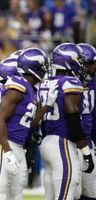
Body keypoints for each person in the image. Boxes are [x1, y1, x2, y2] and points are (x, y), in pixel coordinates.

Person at [0, 48, 54, 199]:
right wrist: (8, 152)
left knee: (15, 196)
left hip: (18, 147)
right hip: (3, 145)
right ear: (34, 67)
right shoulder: (18, 83)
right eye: (42, 66)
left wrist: (46, 107)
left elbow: (28, 124)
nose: (45, 70)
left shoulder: (31, 90)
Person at [39, 43, 94, 200]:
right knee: (66, 195)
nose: (82, 66)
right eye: (80, 61)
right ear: (71, 61)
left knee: (50, 196)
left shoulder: (45, 83)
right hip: (62, 143)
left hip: (46, 141)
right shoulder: (71, 82)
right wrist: (86, 152)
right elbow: (73, 119)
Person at [77, 43, 96, 200]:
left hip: (89, 143)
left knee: (90, 191)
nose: (93, 67)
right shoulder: (66, 82)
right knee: (70, 192)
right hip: (69, 144)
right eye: (89, 64)